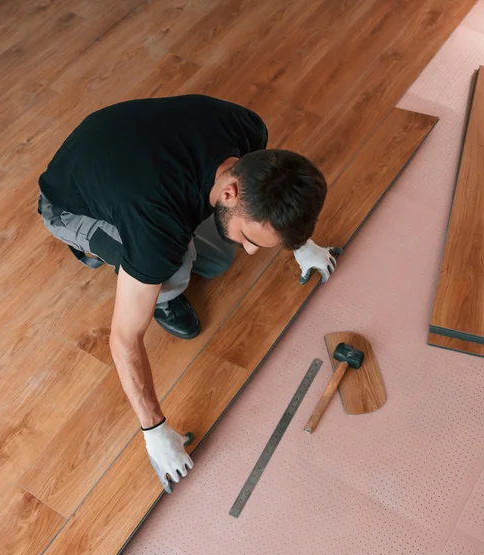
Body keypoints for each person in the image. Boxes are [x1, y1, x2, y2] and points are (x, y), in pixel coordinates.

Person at [37, 94, 340, 493]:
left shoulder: (247, 130)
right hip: (70, 201)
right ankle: (99, 250)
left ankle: (161, 256)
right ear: (231, 192)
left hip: (126, 151)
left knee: (216, 262)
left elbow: (272, 198)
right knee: (169, 262)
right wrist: (154, 431)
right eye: (252, 239)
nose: (251, 251)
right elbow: (124, 337)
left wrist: (300, 243)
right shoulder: (154, 224)